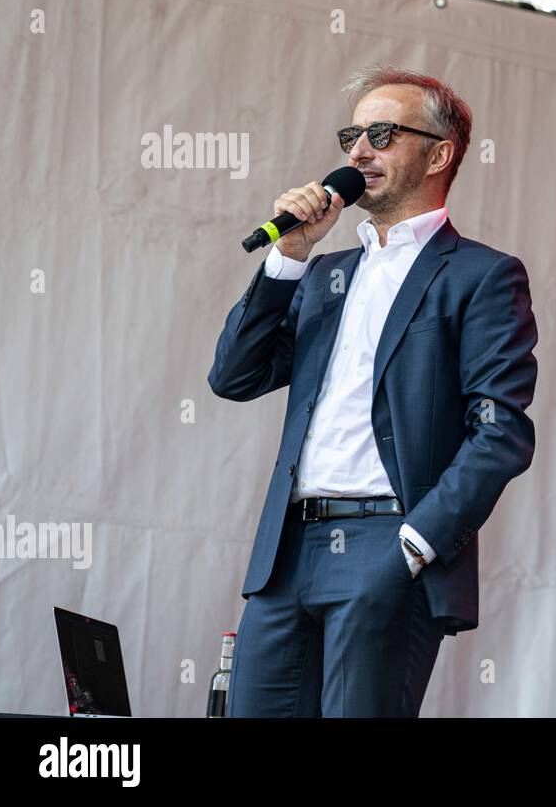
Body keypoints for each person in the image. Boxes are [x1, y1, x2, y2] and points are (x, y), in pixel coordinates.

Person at [208, 66, 537, 716]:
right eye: (351, 134)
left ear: (438, 153)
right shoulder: (325, 273)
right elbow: (233, 377)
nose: (359, 152)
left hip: (387, 543)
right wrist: (289, 257)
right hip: (287, 551)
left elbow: (501, 431)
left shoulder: (481, 276)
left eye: (382, 134)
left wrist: (414, 545)